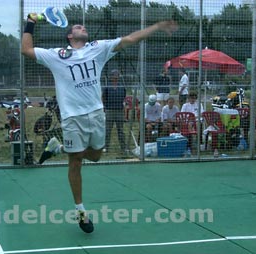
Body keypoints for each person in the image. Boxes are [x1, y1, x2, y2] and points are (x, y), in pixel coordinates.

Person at [21, 14, 178, 233]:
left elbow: (130, 39)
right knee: (75, 161)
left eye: (84, 25)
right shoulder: (57, 55)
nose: (82, 26)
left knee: (95, 157)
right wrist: (31, 22)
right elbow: (26, 49)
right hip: (72, 117)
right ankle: (81, 211)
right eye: (77, 26)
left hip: (96, 115)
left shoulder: (98, 48)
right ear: (69, 36)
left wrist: (158, 25)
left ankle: (58, 147)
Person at [102, 69, 126, 154]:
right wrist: (104, 107)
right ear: (111, 77)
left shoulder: (121, 86)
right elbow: (103, 97)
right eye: (114, 75)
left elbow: (124, 97)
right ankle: (105, 147)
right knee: (108, 130)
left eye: (117, 75)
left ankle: (123, 148)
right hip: (109, 110)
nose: (116, 77)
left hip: (119, 110)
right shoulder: (107, 87)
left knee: (121, 130)